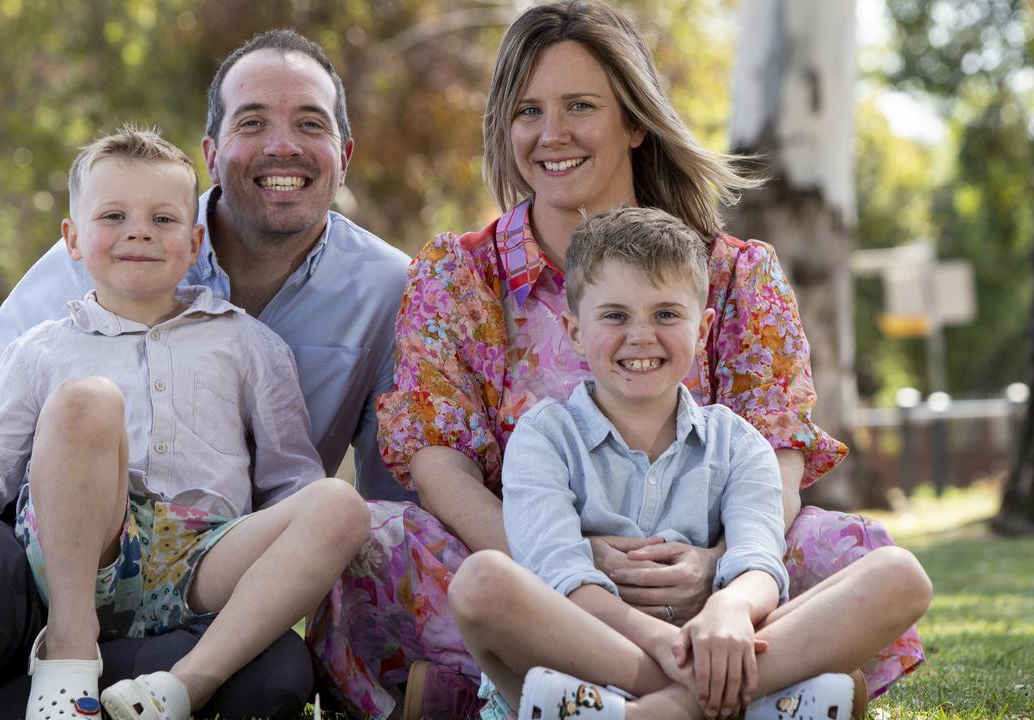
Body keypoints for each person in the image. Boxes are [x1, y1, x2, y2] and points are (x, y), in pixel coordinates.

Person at [0, 29, 411, 720]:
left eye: (309, 122)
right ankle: (51, 658)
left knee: (274, 677)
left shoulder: (380, 289)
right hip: (45, 549)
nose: (281, 145)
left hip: (200, 567)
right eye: (253, 121)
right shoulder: (92, 256)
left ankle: (113, 694)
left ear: (345, 155)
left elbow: (375, 492)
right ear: (214, 154)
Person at [307, 2, 924, 717]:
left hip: (715, 561)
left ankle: (591, 701)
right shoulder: (458, 273)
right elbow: (436, 463)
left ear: (635, 122)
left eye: (579, 106)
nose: (551, 134)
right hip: (531, 564)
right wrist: (566, 559)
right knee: (376, 548)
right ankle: (746, 691)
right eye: (528, 111)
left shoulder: (734, 273)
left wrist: (714, 570)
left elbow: (775, 454)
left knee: (848, 550)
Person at [0, 125, 369, 720]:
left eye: (162, 220)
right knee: (88, 400)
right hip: (86, 554)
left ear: (193, 244)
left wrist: (295, 545)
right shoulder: (43, 349)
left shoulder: (248, 343)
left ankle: (181, 688)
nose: (138, 231)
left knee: (339, 503)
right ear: (74, 239)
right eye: (113, 215)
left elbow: (291, 480)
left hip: (201, 559)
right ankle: (68, 655)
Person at [448, 206, 931, 720]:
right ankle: (734, 702)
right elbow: (558, 576)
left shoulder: (738, 443)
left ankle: (650, 715)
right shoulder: (544, 436)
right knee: (481, 582)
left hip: (711, 646)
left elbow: (757, 559)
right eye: (614, 315)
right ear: (572, 331)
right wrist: (666, 646)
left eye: (665, 314)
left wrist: (729, 609)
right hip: (584, 659)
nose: (640, 336)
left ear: (701, 331)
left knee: (899, 575)